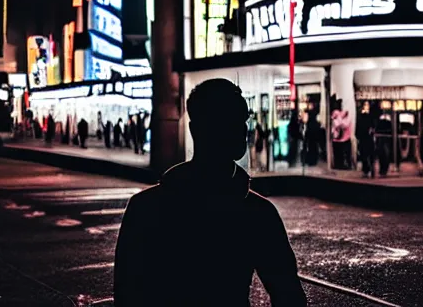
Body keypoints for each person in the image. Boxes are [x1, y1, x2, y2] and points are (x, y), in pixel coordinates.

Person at [114, 78, 307, 307]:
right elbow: (288, 295)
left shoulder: (145, 206)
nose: (242, 129)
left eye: (242, 120)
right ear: (198, 129)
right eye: (229, 121)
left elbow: (127, 294)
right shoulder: (257, 212)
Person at [357, 102, 376, 178]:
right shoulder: (361, 116)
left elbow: (373, 126)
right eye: (365, 105)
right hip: (363, 137)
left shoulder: (370, 116)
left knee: (370, 155)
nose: (366, 107)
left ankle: (370, 169)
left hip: (368, 138)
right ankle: (366, 169)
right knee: (364, 155)